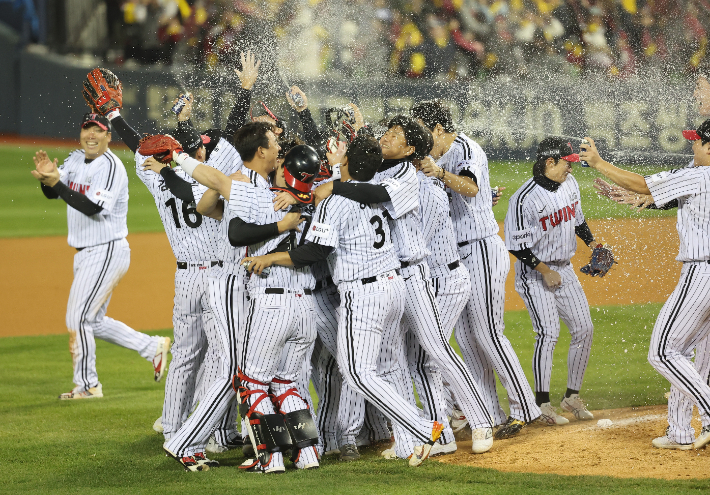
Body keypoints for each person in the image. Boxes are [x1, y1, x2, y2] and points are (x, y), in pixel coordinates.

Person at [241, 133, 446, 467]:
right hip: (393, 286)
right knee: (383, 367)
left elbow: (315, 251)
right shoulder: (372, 190)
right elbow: (336, 192)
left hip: (363, 294)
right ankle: (412, 434)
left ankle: (422, 427)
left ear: (348, 162)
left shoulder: (338, 199)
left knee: (357, 372)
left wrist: (271, 258)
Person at [316, 116, 494, 455]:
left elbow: (374, 192)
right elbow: (362, 170)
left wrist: (336, 186)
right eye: (387, 132)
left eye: (395, 135)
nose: (386, 138)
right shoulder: (383, 167)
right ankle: (415, 440)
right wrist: (356, 132)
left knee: (435, 346)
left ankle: (482, 419)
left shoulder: (407, 177)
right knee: (392, 360)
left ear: (410, 148)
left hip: (413, 274)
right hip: (389, 279)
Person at [411, 100, 540, 438]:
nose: (423, 141)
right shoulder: (437, 154)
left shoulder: (465, 148)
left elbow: (470, 187)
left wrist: (440, 173)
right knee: (468, 341)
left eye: (425, 133)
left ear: (438, 128)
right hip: (460, 252)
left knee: (488, 333)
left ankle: (524, 407)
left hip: (480, 248)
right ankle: (489, 413)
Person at [580, 120, 710, 450]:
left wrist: (597, 162)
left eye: (696, 142)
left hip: (701, 276)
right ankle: (680, 432)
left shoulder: (700, 174)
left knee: (664, 352)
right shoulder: (698, 177)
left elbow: (641, 183)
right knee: (694, 357)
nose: (691, 146)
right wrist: (650, 199)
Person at [30, 113, 170, 400]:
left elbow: (93, 208)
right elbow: (55, 194)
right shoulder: (74, 158)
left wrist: (57, 184)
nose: (91, 135)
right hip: (87, 253)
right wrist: (48, 181)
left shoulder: (110, 166)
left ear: (108, 136)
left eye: (98, 130)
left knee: (78, 318)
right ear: (80, 134)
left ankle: (88, 386)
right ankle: (152, 346)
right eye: (87, 129)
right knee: (91, 321)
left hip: (106, 250)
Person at [504, 137, 598, 426]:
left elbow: (578, 220)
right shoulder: (523, 199)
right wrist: (545, 271)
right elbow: (516, 246)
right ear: (549, 162)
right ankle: (541, 404)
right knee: (548, 333)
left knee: (584, 328)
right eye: (567, 163)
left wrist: (594, 245)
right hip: (535, 273)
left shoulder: (570, 185)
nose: (572, 168)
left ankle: (571, 396)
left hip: (564, 269)